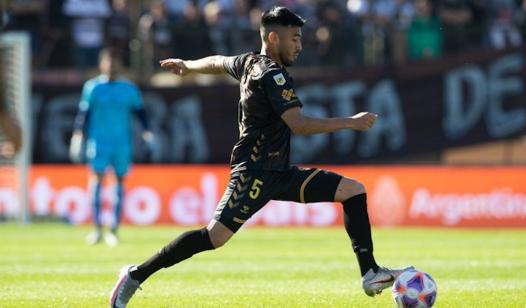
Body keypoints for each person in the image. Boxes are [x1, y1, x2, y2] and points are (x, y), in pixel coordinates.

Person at [109, 6, 412, 307]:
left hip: (279, 172)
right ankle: (135, 274)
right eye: (294, 38)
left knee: (353, 191)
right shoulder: (272, 76)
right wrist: (350, 122)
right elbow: (299, 124)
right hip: (253, 173)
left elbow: (219, 61)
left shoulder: (248, 62)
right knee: (214, 237)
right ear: (273, 38)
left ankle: (370, 272)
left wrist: (188, 65)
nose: (300, 45)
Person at [70, 48, 154, 247]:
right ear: (102, 64)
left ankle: (113, 230)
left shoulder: (129, 89)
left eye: (115, 61)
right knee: (96, 183)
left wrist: (147, 133)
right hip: (98, 142)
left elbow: (141, 113)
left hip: (121, 143)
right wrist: (78, 135)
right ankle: (97, 229)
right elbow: (84, 113)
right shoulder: (92, 87)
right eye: (108, 61)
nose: (112, 65)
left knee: (119, 184)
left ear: (120, 64)